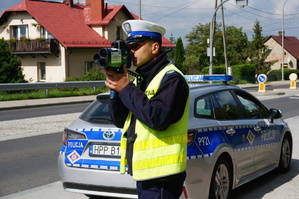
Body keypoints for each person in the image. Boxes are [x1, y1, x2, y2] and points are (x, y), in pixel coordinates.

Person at [104, 19, 190, 199]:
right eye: (129, 47)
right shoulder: (138, 80)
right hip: (146, 173)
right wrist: (115, 90)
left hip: (163, 176)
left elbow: (157, 119)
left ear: (155, 47)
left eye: (136, 46)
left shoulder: (171, 78)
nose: (131, 52)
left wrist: (126, 89)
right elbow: (120, 121)